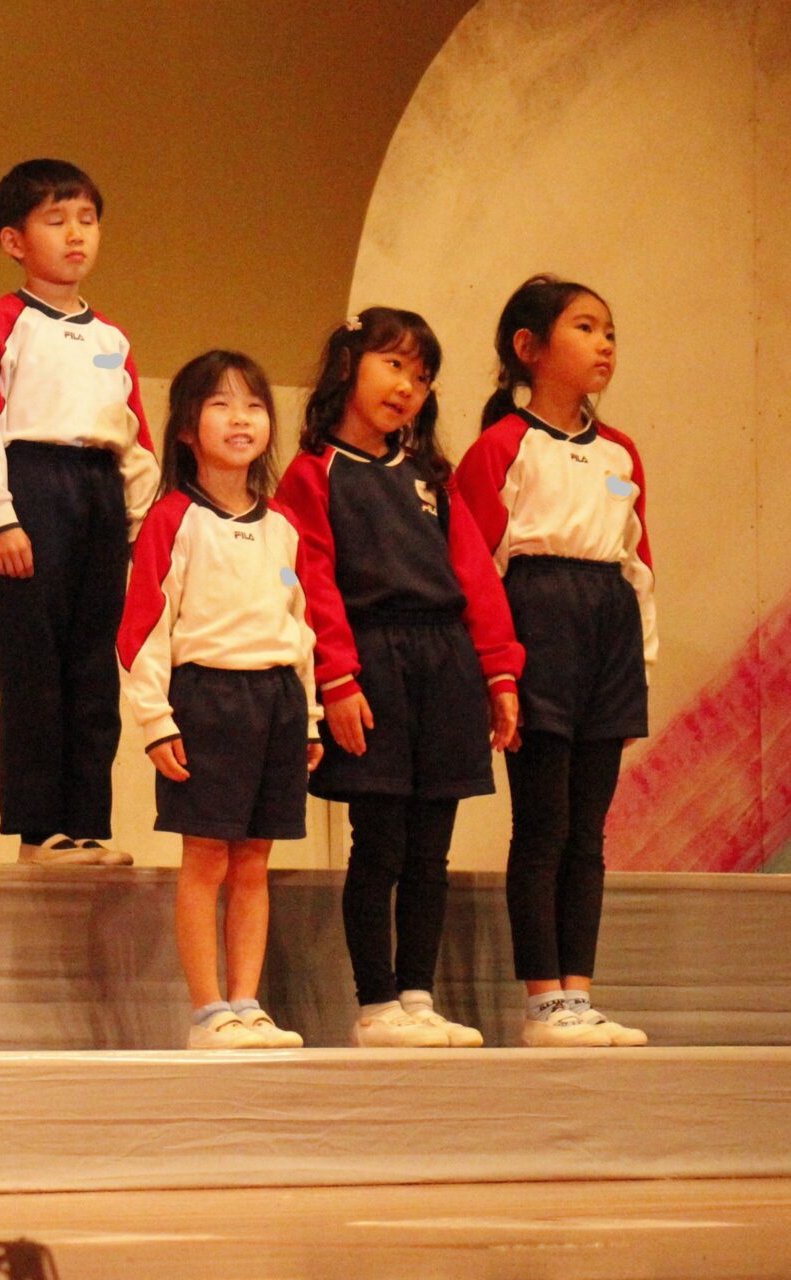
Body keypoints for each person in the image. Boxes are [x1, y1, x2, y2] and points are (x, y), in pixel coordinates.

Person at [275, 308, 522, 1049]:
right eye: (394, 365)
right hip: (371, 661)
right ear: (348, 364)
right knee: (378, 844)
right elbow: (312, 581)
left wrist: (499, 674)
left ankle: (418, 996)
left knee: (430, 851)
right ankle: (376, 1006)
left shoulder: (428, 477)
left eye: (422, 375)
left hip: (444, 665)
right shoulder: (313, 472)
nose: (408, 386)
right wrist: (338, 679)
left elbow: (475, 577)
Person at [456, 275, 654, 1048]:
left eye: (610, 332)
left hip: (609, 632)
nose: (604, 344)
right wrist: (495, 671)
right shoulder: (502, 446)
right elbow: (472, 569)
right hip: (536, 622)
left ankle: (580, 993)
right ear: (529, 348)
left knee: (589, 833)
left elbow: (638, 562)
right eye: (585, 327)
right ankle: (543, 1001)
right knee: (543, 825)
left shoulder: (621, 452)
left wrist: (639, 663)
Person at [0, 159, 160, 865]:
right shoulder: (1, 322)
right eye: (56, 220)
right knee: (34, 668)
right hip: (33, 488)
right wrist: (2, 517)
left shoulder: (112, 339)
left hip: (101, 494)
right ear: (14, 241)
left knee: (93, 667)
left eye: (87, 219)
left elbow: (134, 436)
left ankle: (87, 823)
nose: (76, 234)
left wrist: (143, 526)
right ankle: (37, 830)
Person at [118, 351, 320, 1050]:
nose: (241, 418)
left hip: (278, 701)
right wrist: (156, 720)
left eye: (255, 405)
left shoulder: (283, 526)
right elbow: (143, 630)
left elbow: (300, 626)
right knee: (206, 859)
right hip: (206, 699)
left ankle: (246, 1002)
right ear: (185, 429)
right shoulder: (173, 518)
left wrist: (309, 716)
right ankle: (208, 1013)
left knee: (254, 861)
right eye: (221, 404)